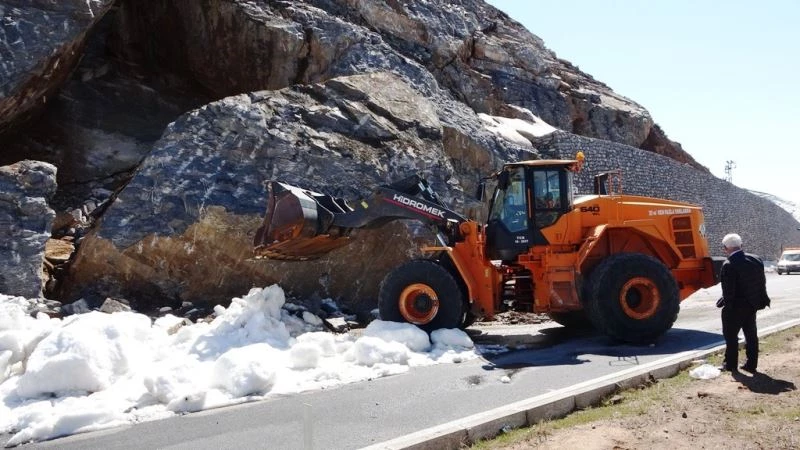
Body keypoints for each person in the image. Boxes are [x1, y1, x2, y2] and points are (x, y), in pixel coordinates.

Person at [716, 233, 769, 373]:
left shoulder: (728, 264)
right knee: (751, 335)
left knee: (731, 336)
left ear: (725, 248)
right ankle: (751, 364)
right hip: (752, 304)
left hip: (735, 307)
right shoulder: (756, 259)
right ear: (741, 245)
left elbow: (728, 291)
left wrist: (727, 306)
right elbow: (761, 283)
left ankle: (730, 364)